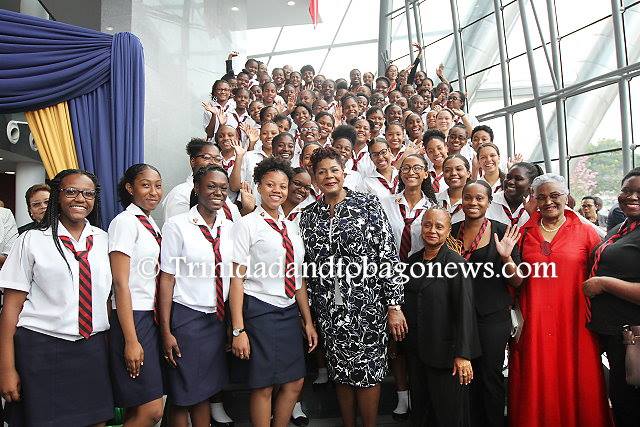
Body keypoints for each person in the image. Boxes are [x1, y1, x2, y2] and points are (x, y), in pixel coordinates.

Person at [299, 147, 406, 427]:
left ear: (344, 173)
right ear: (314, 177)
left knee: (369, 371)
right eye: (322, 172)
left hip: (368, 305)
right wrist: (309, 311)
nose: (329, 176)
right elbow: (306, 266)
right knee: (340, 371)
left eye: (334, 170)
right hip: (329, 308)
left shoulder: (368, 205)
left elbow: (387, 256)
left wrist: (393, 305)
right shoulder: (308, 216)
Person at [0, 169, 114, 426]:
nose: (80, 198)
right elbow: (11, 308)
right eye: (71, 191)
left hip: (92, 348)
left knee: (96, 421)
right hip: (41, 348)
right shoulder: (31, 240)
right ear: (57, 196)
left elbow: (106, 299)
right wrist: (6, 368)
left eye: (88, 193)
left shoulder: (104, 240)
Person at [508, 173, 612, 427]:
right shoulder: (522, 234)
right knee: (536, 378)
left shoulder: (588, 233)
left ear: (566, 196)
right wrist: (505, 259)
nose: (548, 202)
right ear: (534, 200)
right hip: (534, 322)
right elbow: (514, 282)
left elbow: (599, 276)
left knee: (579, 377)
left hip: (575, 321)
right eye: (541, 197)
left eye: (555, 195)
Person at [230, 157, 317, 427]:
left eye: (282, 185)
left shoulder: (292, 227)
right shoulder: (246, 224)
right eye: (270, 184)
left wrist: (308, 321)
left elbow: (297, 277)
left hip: (288, 311)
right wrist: (238, 330)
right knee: (264, 384)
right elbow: (236, 279)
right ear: (258, 186)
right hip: (259, 310)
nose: (276, 190)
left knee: (295, 381)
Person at [159, 166, 234, 427]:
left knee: (204, 391)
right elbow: (167, 278)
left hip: (216, 319)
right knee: (183, 394)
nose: (218, 192)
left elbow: (233, 277)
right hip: (186, 318)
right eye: (211, 186)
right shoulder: (177, 225)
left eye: (223, 188)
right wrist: (166, 330)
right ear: (197, 188)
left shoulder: (230, 227)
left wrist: (231, 323)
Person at [451, 181, 522, 427]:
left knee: (490, 377)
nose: (473, 202)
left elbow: (517, 281)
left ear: (489, 202)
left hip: (491, 317)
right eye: (468, 198)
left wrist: (506, 257)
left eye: (479, 198)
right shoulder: (451, 231)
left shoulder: (504, 232)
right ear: (461, 201)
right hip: (458, 316)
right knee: (463, 378)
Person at [404, 207, 481, 427]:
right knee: (422, 415)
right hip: (418, 353)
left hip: (447, 357)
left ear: (448, 231)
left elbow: (465, 311)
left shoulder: (456, 264)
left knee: (448, 417)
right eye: (427, 225)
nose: (432, 230)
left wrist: (463, 355)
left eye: (439, 226)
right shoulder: (412, 262)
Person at [380, 154, 437, 420]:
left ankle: (421, 392)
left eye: (417, 168)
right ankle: (402, 395)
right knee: (396, 339)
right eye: (405, 168)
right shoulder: (385, 203)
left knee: (418, 335)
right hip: (389, 275)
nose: (411, 172)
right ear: (399, 172)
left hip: (420, 277)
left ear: (426, 173)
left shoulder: (433, 207)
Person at [108, 164, 164, 425]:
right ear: (130, 188)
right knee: (152, 410)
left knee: (139, 407)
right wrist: (131, 340)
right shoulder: (124, 222)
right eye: (145, 185)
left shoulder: (150, 223)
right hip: (132, 317)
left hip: (149, 316)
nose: (153, 192)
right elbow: (120, 283)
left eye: (158, 186)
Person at [584, 167, 640, 427]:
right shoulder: (620, 228)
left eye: (639, 192)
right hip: (615, 338)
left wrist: (605, 283)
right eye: (626, 190)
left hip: (634, 338)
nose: (632, 197)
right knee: (621, 403)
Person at [163, 138, 243, 222]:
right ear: (193, 161)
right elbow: (178, 226)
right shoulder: (180, 194)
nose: (213, 162)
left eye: (218, 159)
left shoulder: (221, 195)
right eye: (206, 157)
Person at [487, 162, 542, 228]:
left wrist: (532, 214)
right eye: (508, 177)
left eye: (518, 179)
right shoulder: (489, 201)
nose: (510, 182)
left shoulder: (538, 206)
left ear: (531, 184)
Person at [436, 154, 471, 224]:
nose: (453, 173)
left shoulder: (474, 203)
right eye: (447, 170)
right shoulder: (433, 200)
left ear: (468, 173)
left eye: (458, 169)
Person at [423, 129, 449, 193]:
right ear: (427, 153)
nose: (436, 153)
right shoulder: (424, 174)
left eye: (439, 148)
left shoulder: (456, 172)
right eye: (431, 151)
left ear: (446, 147)